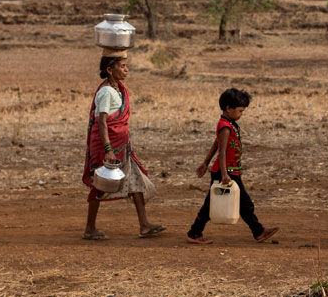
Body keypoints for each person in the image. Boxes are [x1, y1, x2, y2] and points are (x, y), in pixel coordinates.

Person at [81, 51, 166, 240]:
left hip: (122, 146)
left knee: (135, 179)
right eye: (122, 66)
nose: (126, 70)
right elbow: (102, 122)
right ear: (109, 70)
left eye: (126, 66)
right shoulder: (106, 92)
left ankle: (144, 224)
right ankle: (89, 228)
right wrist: (108, 149)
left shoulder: (119, 89)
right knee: (100, 185)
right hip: (109, 148)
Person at [186, 88, 279, 245]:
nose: (241, 114)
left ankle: (195, 232)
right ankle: (258, 231)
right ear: (228, 108)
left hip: (228, 171)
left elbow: (216, 144)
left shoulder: (230, 124)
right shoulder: (225, 126)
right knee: (242, 203)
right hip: (226, 173)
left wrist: (205, 162)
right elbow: (221, 151)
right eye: (240, 111)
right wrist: (223, 174)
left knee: (229, 204)